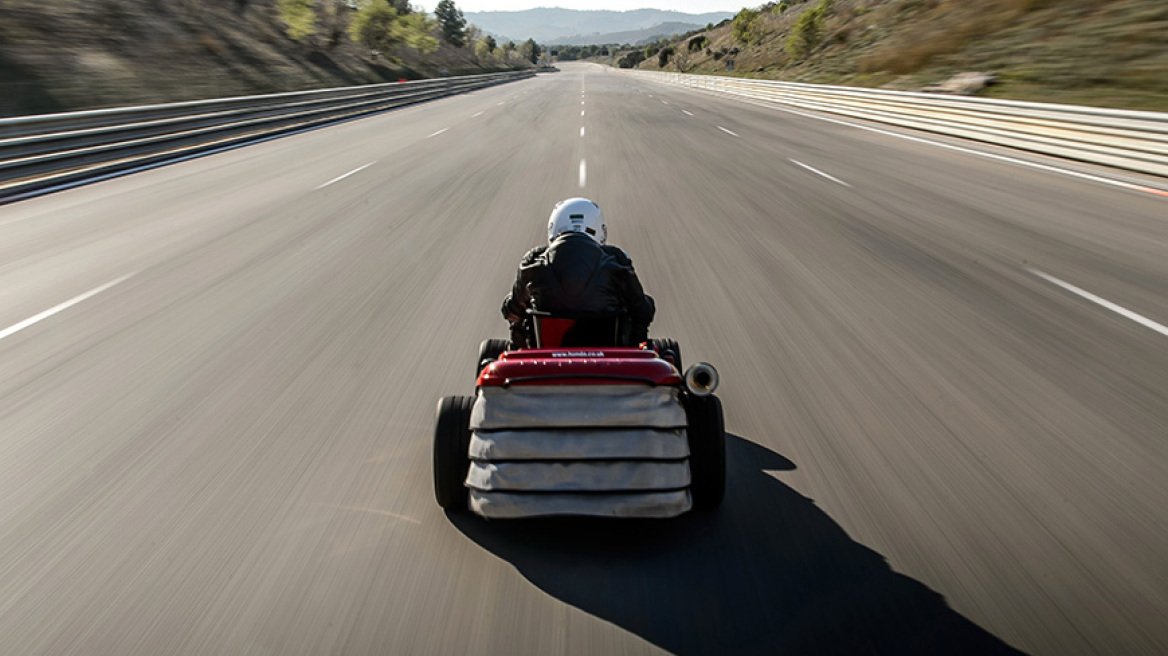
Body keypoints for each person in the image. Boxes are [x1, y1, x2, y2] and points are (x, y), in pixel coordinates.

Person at [502, 198, 655, 349]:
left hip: (545, 362)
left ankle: (516, 352)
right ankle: (638, 351)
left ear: (554, 228)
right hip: (610, 363)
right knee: (639, 309)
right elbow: (643, 311)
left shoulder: (534, 263)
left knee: (518, 312)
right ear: (599, 230)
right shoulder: (616, 262)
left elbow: (511, 310)